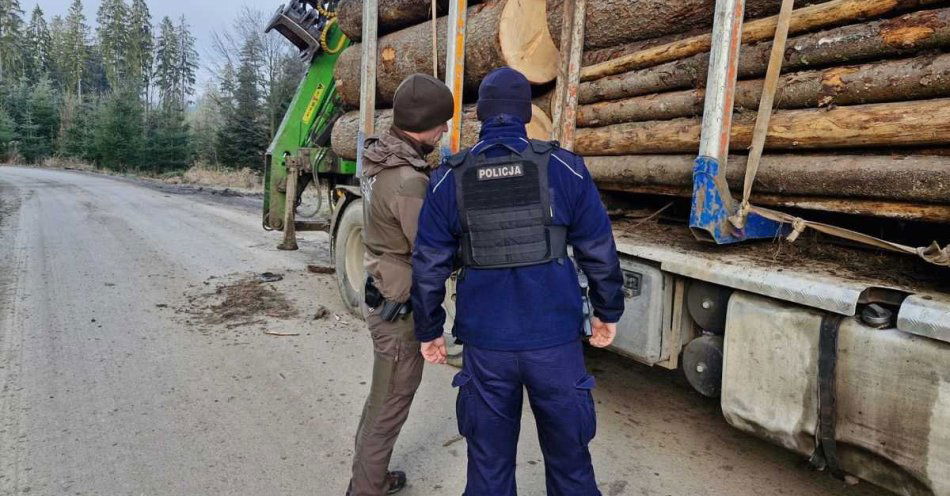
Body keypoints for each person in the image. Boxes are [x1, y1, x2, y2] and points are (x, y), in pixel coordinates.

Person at [411, 67, 625, 495]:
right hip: (555, 345)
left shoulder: (447, 179)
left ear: (481, 115)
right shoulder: (568, 169)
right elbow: (599, 250)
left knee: (488, 468)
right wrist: (607, 312)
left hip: (486, 348)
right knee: (571, 465)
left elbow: (428, 265)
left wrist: (429, 330)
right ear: (527, 114)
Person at [347, 73, 453, 496]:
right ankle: (365, 488)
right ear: (423, 123)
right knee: (390, 404)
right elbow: (427, 249)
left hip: (382, 288)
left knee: (381, 398)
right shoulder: (409, 181)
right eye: (441, 122)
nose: (445, 129)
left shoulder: (380, 159)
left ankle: (370, 476)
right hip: (398, 307)